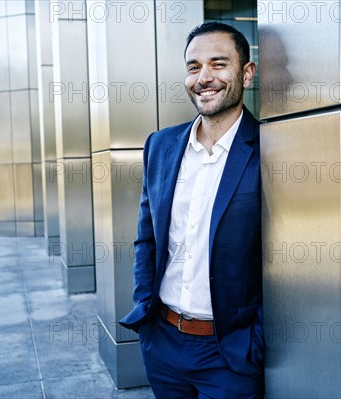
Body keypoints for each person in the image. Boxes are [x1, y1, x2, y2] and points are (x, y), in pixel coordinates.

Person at [119, 22, 264, 398]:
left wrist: (257, 343)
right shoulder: (161, 145)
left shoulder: (271, 151)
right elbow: (147, 238)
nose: (204, 77)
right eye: (194, 66)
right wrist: (144, 311)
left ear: (246, 73)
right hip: (163, 344)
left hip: (229, 355)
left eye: (219, 64)